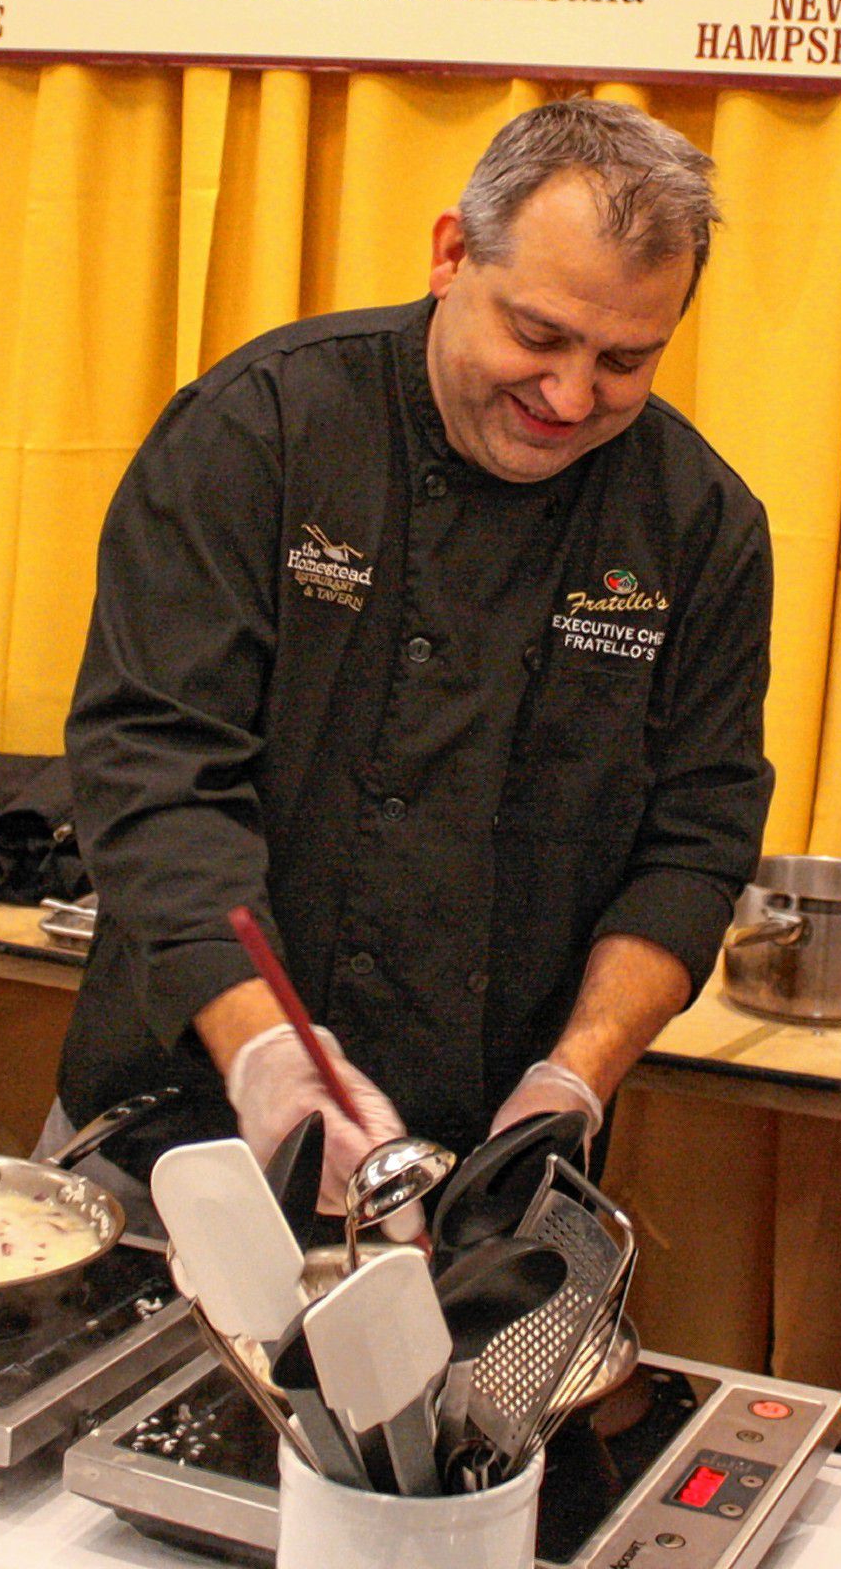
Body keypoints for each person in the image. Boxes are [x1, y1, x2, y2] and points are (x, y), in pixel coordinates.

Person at [53, 100, 775, 1213]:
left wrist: (575, 1075)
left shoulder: (698, 523)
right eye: (537, 336)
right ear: (451, 255)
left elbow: (696, 840)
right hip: (180, 1140)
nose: (573, 397)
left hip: (487, 1170)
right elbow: (154, 768)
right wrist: (265, 1055)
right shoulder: (264, 432)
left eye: (628, 359)